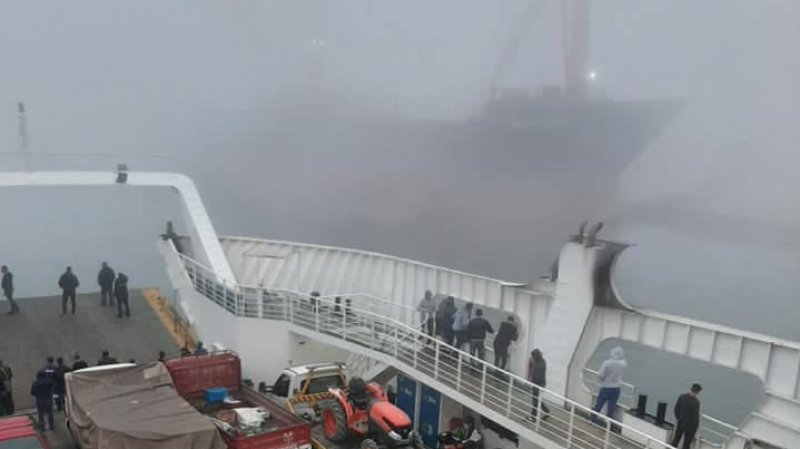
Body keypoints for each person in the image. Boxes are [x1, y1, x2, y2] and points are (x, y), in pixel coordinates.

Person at [590, 346, 628, 423]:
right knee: (611, 406)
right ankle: (608, 422)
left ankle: (592, 419)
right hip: (616, 388)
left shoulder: (607, 363)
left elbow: (600, 375)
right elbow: (624, 362)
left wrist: (602, 380)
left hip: (606, 387)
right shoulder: (622, 364)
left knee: (599, 404)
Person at [672, 383, 703, 449]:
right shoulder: (696, 402)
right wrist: (696, 426)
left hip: (681, 422)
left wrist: (679, 418)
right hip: (690, 426)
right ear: (697, 392)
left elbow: (676, 409)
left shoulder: (682, 397)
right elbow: (695, 416)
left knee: (675, 440)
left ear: (691, 389)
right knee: (686, 444)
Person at [526, 349, 550, 422]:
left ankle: (533, 417)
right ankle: (546, 410)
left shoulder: (538, 364)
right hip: (541, 383)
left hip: (538, 384)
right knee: (537, 398)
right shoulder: (542, 361)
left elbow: (536, 376)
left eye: (532, 356)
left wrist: (532, 383)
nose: (531, 357)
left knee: (535, 400)